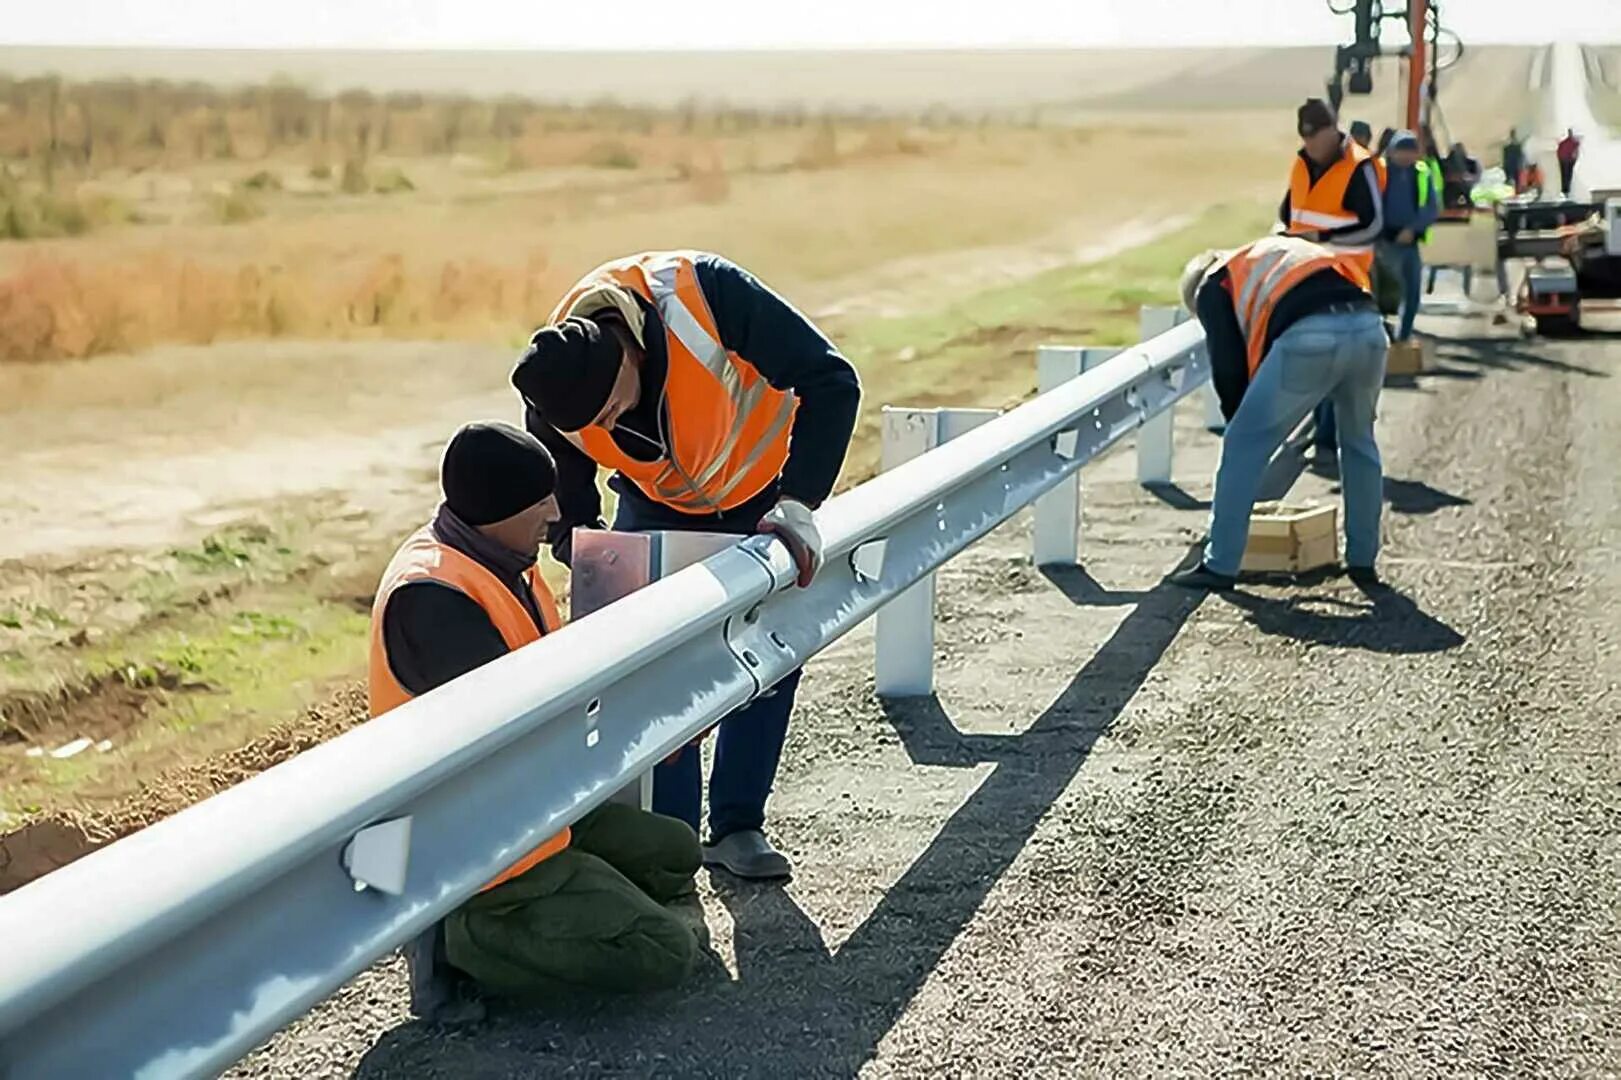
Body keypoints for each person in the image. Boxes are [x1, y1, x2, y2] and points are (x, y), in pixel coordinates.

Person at [513, 251, 861, 880]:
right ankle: (670, 845)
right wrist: (578, 535)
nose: (608, 428)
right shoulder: (555, 377)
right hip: (651, 504)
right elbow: (563, 471)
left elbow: (832, 380)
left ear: (628, 355)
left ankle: (737, 825)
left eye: (612, 413)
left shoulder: (706, 296)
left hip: (761, 501)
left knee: (765, 655)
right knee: (652, 672)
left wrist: (800, 502)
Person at [371, 421, 706, 1019]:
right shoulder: (431, 597)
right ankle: (461, 938)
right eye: (539, 499)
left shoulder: (499, 556)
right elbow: (513, 731)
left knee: (676, 851)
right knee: (665, 951)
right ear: (495, 508)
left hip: (533, 812)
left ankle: (573, 899)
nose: (555, 511)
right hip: (478, 855)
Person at [1171, 236, 1387, 590]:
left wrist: (1237, 419)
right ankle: (1363, 560)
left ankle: (1220, 564)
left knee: (1243, 445)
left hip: (1311, 337)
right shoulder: (1267, 256)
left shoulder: (1214, 284)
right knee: (1359, 442)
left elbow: (1228, 365)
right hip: (1368, 328)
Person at [1280, 98, 1383, 468]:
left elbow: (1372, 225)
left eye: (1317, 138)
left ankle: (1335, 442)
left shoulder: (1359, 166)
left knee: (1335, 363)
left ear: (1331, 129)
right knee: (1315, 359)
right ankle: (1323, 440)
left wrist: (1323, 240)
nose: (1312, 147)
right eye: (1306, 140)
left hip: (1346, 279)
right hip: (1305, 275)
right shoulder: (1302, 164)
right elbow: (1288, 212)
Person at [1380, 130, 1443, 341]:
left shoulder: (1421, 173)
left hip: (1410, 243)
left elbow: (1433, 207)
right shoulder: (1380, 173)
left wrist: (1413, 228)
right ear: (1391, 152)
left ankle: (1403, 338)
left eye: (1411, 151)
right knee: (1386, 295)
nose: (1406, 156)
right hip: (1384, 243)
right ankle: (1384, 338)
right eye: (1401, 151)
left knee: (1413, 294)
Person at [1557, 128, 1581, 196]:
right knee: (1568, 175)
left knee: (1565, 175)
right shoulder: (1574, 143)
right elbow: (1576, 153)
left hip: (1564, 159)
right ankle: (1566, 190)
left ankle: (1565, 190)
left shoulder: (1566, 142)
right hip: (1567, 160)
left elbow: (1560, 150)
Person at [1502, 129, 1526, 194]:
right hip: (1515, 166)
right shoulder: (1517, 145)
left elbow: (1505, 157)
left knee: (1510, 181)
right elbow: (1521, 157)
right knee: (1516, 182)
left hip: (1510, 165)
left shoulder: (1507, 146)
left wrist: (1504, 166)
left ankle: (1512, 193)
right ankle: (1516, 193)